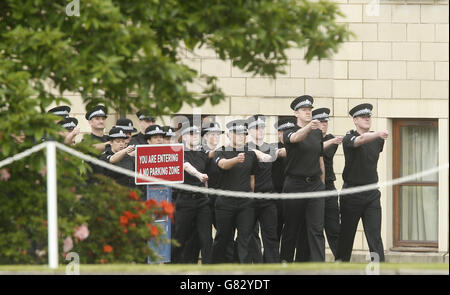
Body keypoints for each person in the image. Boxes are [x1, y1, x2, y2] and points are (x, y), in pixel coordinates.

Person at [337, 103, 388, 262]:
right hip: (352, 194)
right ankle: (339, 269)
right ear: (355, 120)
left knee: (375, 237)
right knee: (346, 237)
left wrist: (377, 135)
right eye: (363, 117)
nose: (367, 119)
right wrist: (378, 133)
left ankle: (380, 269)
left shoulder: (378, 140)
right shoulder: (349, 138)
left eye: (369, 117)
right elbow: (360, 140)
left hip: (372, 194)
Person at [280, 95, 326, 262]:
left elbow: (320, 159)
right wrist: (308, 128)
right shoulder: (289, 131)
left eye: (310, 110)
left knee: (316, 229)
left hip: (315, 185)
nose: (308, 112)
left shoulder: (317, 133)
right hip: (295, 185)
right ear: (296, 113)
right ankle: (285, 265)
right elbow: (296, 138)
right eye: (304, 110)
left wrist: (322, 185)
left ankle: (318, 268)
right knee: (291, 229)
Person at [211, 119, 258, 264]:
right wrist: (236, 160)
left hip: (245, 204)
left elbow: (252, 178)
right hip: (225, 203)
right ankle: (216, 268)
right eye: (237, 133)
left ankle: (243, 269)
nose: (241, 136)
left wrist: (250, 196)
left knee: (245, 238)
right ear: (230, 135)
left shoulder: (251, 154)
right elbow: (223, 165)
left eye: (243, 134)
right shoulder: (221, 151)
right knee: (223, 238)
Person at [172, 124, 213, 264]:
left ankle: (209, 271)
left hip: (202, 201)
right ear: (183, 136)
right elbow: (185, 166)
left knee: (206, 238)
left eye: (196, 133)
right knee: (180, 238)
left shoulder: (203, 152)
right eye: (191, 133)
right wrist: (199, 175)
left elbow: (212, 161)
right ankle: (173, 267)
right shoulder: (178, 151)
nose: (195, 136)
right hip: (184, 199)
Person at [246, 115, 281, 263]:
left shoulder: (271, 147)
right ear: (249, 130)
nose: (260, 130)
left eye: (262, 127)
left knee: (271, 235)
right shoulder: (244, 148)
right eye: (256, 128)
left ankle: (271, 267)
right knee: (251, 235)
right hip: (250, 199)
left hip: (268, 198)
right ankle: (257, 265)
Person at [313, 107, 342, 260]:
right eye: (321, 122)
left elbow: (323, 153)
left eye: (326, 122)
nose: (324, 124)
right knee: (315, 230)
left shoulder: (331, 139)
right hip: (311, 187)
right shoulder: (309, 138)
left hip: (328, 187)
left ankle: (341, 262)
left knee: (333, 229)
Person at [271, 117, 296, 241]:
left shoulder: (298, 146)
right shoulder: (272, 147)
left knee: (293, 232)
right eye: (284, 131)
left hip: (293, 194)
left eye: (290, 131)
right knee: (275, 232)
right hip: (277, 195)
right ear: (279, 133)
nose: (287, 134)